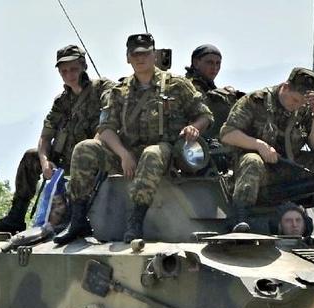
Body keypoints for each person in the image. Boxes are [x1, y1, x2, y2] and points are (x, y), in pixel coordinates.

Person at [55, 33, 213, 245]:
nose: (140, 58)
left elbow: (205, 115)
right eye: (135, 54)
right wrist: (122, 154)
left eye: (146, 53)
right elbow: (106, 128)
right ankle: (78, 218)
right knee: (85, 148)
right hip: (128, 153)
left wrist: (194, 128)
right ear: (128, 58)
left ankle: (135, 220)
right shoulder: (119, 91)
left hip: (166, 153)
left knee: (152, 153)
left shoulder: (176, 85)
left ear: (154, 55)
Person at [0, 45, 114, 233]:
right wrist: (44, 162)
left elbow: (108, 123)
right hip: (66, 160)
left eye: (74, 69)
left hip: (94, 160)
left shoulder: (102, 89)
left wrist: (90, 149)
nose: (69, 74)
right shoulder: (62, 101)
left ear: (83, 66)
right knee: (31, 157)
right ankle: (16, 217)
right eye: (64, 71)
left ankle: (77, 219)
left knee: (86, 150)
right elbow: (45, 137)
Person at [220, 67, 314, 236]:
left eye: (302, 103)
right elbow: (227, 134)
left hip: (291, 165)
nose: (297, 106)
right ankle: (241, 220)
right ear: (285, 87)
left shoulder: (306, 108)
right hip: (259, 169)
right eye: (294, 100)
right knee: (252, 160)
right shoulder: (256, 101)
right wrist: (259, 145)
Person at [185, 44, 245, 138]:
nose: (214, 67)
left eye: (218, 63)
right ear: (196, 63)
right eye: (210, 62)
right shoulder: (187, 87)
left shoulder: (211, 88)